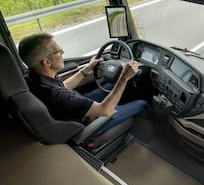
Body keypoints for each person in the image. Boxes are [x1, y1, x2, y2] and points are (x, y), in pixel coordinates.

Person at [18, 33, 148, 133]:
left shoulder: (32, 78)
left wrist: (86, 69)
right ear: (47, 62)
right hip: (91, 120)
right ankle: (147, 133)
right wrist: (124, 77)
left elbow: (63, 86)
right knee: (142, 104)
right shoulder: (57, 95)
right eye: (59, 51)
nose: (63, 53)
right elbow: (105, 110)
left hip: (74, 108)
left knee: (111, 86)